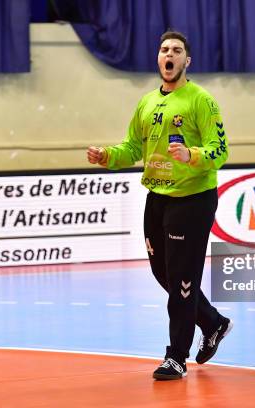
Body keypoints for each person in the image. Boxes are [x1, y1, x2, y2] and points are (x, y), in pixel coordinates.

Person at [86, 30, 232, 380]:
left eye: (177, 50)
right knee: (163, 273)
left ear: (187, 61)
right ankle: (213, 322)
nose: (170, 55)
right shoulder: (147, 103)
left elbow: (221, 150)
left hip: (192, 200)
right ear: (158, 59)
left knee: (182, 280)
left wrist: (191, 155)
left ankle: (176, 356)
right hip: (157, 199)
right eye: (165, 49)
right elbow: (133, 149)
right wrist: (107, 156)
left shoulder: (201, 101)